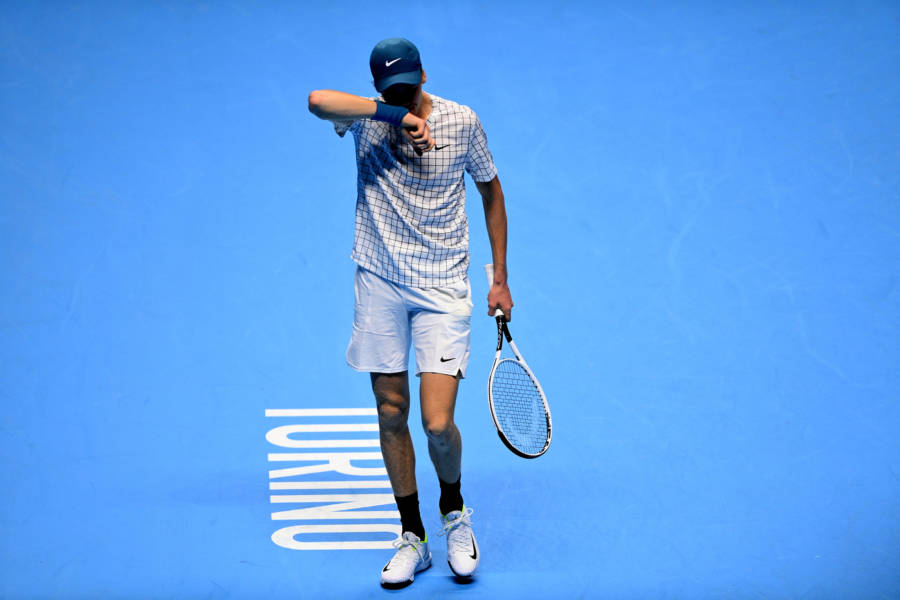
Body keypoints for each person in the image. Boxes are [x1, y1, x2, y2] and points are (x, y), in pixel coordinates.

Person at [308, 37, 513, 589]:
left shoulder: (462, 121)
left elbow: (491, 192)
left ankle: (454, 512)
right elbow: (317, 100)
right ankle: (413, 536)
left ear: (425, 75)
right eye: (391, 90)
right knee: (390, 411)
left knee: (438, 423)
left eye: (409, 87)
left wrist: (499, 277)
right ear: (379, 88)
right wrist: (394, 115)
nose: (403, 95)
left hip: (443, 286)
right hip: (380, 282)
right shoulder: (367, 119)